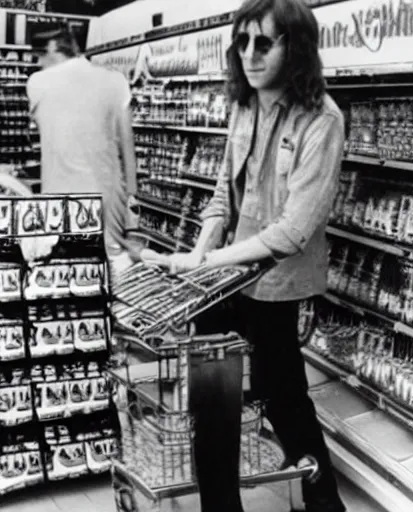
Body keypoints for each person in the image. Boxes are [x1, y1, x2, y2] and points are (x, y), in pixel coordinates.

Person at [141, 0, 346, 510]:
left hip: (277, 284)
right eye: (242, 41)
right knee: (211, 401)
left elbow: (295, 230)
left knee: (284, 399)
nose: (249, 54)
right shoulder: (242, 105)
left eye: (264, 42)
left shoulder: (322, 120)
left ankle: (325, 505)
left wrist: (209, 262)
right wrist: (198, 255)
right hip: (222, 279)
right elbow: (220, 197)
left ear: (294, 48)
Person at [26, 23, 139, 263]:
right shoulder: (116, 82)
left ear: (54, 47)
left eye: (39, 56)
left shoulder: (36, 83)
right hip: (107, 212)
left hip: (57, 214)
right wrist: (133, 221)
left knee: (63, 283)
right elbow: (128, 154)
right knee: (105, 283)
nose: (38, 63)